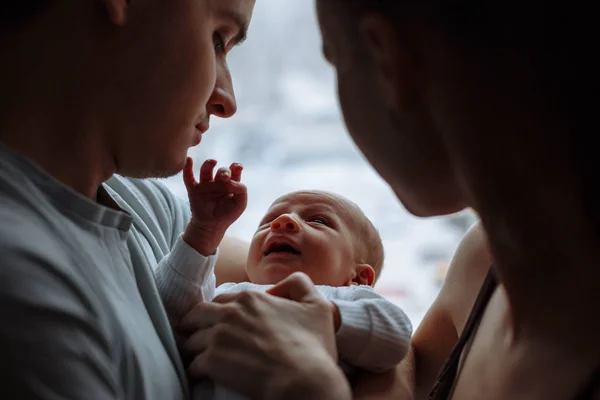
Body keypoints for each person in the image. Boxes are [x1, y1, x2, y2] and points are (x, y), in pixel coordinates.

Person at [179, 0, 600, 399]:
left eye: (334, 61)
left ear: (389, 63)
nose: (285, 224)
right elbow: (399, 355)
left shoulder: (490, 267)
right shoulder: (487, 258)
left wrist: (314, 387)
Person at [0, 1, 256, 398]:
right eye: (218, 39)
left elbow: (303, 278)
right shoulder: (24, 288)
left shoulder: (145, 209)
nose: (227, 100)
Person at [155, 158, 413, 399]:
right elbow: (167, 310)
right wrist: (203, 232)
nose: (284, 221)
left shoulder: (344, 300)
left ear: (357, 278)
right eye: (269, 220)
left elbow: (396, 336)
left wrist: (326, 317)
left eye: (318, 221)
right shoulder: (228, 292)